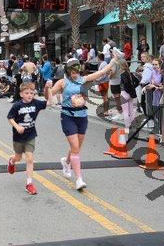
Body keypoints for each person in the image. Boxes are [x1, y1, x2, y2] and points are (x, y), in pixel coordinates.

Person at [48, 57, 116, 190]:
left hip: (82, 116)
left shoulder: (83, 80)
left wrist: (113, 61)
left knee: (76, 147)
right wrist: (47, 89)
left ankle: (67, 162)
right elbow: (49, 95)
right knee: (75, 147)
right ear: (68, 71)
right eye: (73, 72)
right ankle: (79, 179)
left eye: (77, 71)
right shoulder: (62, 83)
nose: (75, 74)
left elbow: (101, 72)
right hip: (68, 116)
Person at [7, 82, 50, 195]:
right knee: (18, 157)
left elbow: (49, 102)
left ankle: (29, 183)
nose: (30, 95)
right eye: (27, 93)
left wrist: (47, 88)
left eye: (32, 93)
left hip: (30, 135)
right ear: (21, 94)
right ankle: (11, 161)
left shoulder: (36, 103)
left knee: (30, 158)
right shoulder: (17, 105)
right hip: (18, 136)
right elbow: (10, 118)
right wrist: (17, 127)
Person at [119, 59, 138, 128]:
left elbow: (126, 83)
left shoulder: (123, 74)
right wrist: (132, 88)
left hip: (124, 93)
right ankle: (133, 124)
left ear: (121, 66)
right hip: (130, 94)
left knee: (125, 111)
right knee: (131, 109)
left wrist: (128, 90)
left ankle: (127, 125)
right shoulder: (130, 74)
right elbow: (137, 81)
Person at [107, 48, 124, 121]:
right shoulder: (121, 60)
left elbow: (113, 71)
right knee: (119, 98)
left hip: (114, 81)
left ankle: (120, 113)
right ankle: (122, 113)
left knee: (117, 98)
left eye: (111, 52)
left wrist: (109, 76)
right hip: (120, 80)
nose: (110, 53)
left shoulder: (113, 61)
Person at [95, 53, 110, 118]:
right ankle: (105, 111)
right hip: (103, 82)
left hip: (103, 82)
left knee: (105, 97)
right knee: (104, 97)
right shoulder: (103, 63)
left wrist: (98, 79)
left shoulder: (103, 64)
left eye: (97, 57)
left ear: (99, 58)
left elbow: (104, 74)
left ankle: (106, 112)